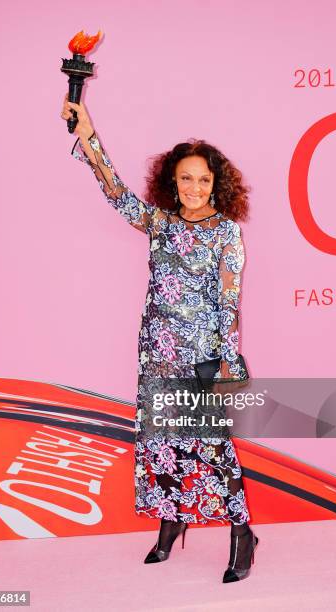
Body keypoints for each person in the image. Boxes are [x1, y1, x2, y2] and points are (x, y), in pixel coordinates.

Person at [61, 94, 259, 583]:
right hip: (156, 350)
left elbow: (228, 303)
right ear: (174, 178)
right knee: (160, 444)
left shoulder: (226, 233)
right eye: (186, 177)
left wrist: (228, 363)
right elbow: (114, 191)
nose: (194, 187)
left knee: (213, 447)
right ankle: (171, 523)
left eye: (204, 179)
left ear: (218, 184)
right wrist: (87, 133)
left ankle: (242, 534)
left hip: (200, 358)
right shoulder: (161, 223)